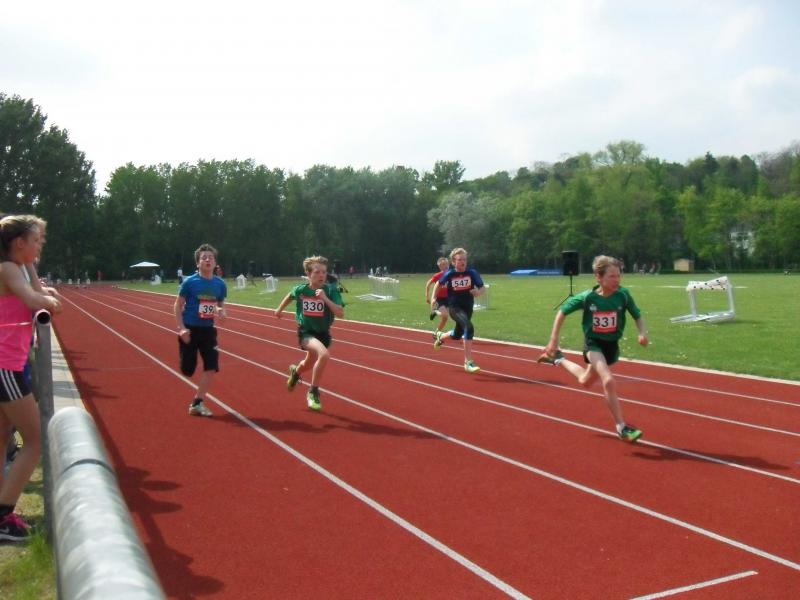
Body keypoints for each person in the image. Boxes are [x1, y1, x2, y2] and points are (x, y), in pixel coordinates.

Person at [538, 255, 648, 442]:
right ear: (599, 277)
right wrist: (553, 339)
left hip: (611, 345)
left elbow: (637, 315)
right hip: (593, 344)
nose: (617, 280)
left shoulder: (623, 295)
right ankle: (622, 427)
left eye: (618, 276)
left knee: (585, 381)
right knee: (608, 380)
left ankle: (558, 358)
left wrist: (642, 333)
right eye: (612, 276)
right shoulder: (587, 297)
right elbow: (562, 311)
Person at [0, 214, 62, 541]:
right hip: (5, 367)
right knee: (36, 439)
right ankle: (3, 517)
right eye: (36, 240)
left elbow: (34, 289)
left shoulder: (17, 267)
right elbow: (33, 299)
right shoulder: (8, 269)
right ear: (18, 242)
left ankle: (2, 512)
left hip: (7, 364)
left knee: (2, 439)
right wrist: (50, 301)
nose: (41, 245)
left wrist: (35, 274)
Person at [275, 255, 345, 411]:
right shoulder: (302, 289)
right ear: (308, 273)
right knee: (324, 355)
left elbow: (340, 313)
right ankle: (313, 392)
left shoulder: (331, 290)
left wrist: (325, 298)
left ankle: (295, 372)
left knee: (308, 363)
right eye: (317, 272)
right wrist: (279, 310)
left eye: (324, 272)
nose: (321, 275)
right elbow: (291, 295)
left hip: (323, 333)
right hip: (306, 332)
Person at [174, 243, 227, 417]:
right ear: (198, 263)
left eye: (211, 257)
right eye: (204, 258)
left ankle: (197, 403)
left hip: (208, 330)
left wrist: (221, 311)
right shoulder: (190, 282)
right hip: (190, 329)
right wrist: (181, 328)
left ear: (215, 262)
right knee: (188, 370)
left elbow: (219, 304)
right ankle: (184, 349)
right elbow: (177, 305)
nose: (208, 260)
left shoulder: (220, 284)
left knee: (211, 366)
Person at [431, 247, 486, 373]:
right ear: (453, 262)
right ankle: (468, 362)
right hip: (454, 308)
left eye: (464, 259)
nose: (463, 262)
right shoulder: (450, 274)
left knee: (457, 335)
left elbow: (482, 288)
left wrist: (478, 292)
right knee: (469, 327)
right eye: (459, 259)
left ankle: (440, 336)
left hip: (468, 307)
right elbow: (438, 284)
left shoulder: (472, 273)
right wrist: (434, 298)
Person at [425, 257, 450, 335]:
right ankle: (435, 312)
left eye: (447, 264)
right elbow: (428, 284)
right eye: (443, 264)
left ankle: (436, 333)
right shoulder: (437, 276)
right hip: (439, 299)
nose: (446, 266)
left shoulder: (452, 274)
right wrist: (427, 296)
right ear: (440, 267)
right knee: (445, 315)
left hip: (449, 298)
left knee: (445, 319)